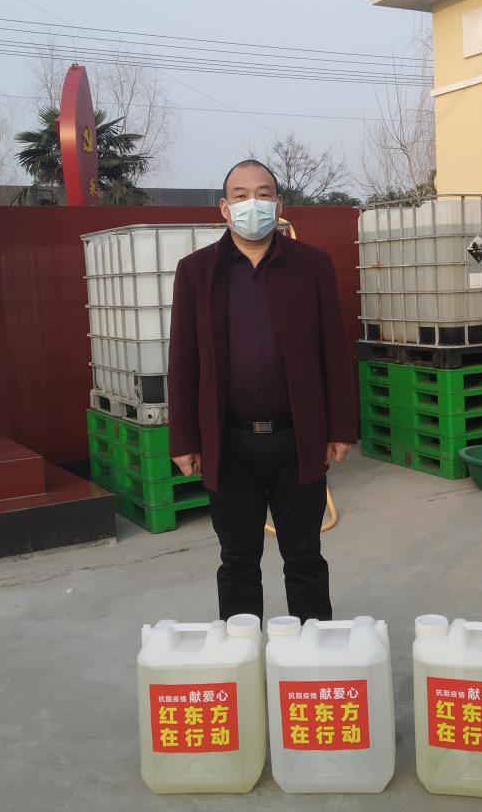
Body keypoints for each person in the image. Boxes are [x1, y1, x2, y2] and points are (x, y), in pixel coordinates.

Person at [167, 159, 357, 621]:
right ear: (223, 208)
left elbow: (334, 350)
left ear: (278, 203)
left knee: (305, 556)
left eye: (263, 193)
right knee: (237, 560)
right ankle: (244, 653)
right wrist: (185, 439)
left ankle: (313, 653)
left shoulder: (312, 265)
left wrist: (340, 428)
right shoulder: (196, 271)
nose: (253, 202)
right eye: (241, 195)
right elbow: (184, 360)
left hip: (297, 437)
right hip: (229, 441)